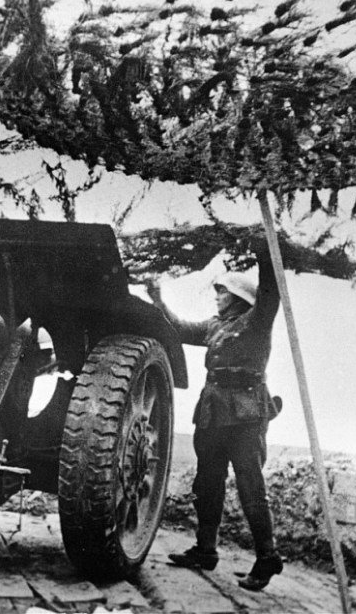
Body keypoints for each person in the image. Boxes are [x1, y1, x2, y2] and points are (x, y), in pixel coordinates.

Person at [146, 237, 284, 592]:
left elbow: (272, 292)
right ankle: (205, 549)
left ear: (239, 298)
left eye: (222, 292)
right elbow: (176, 327)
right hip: (212, 414)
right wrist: (157, 298)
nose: (217, 296)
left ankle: (267, 556)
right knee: (207, 484)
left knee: (250, 485)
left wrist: (266, 254)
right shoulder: (214, 326)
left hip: (246, 415)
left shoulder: (256, 322)